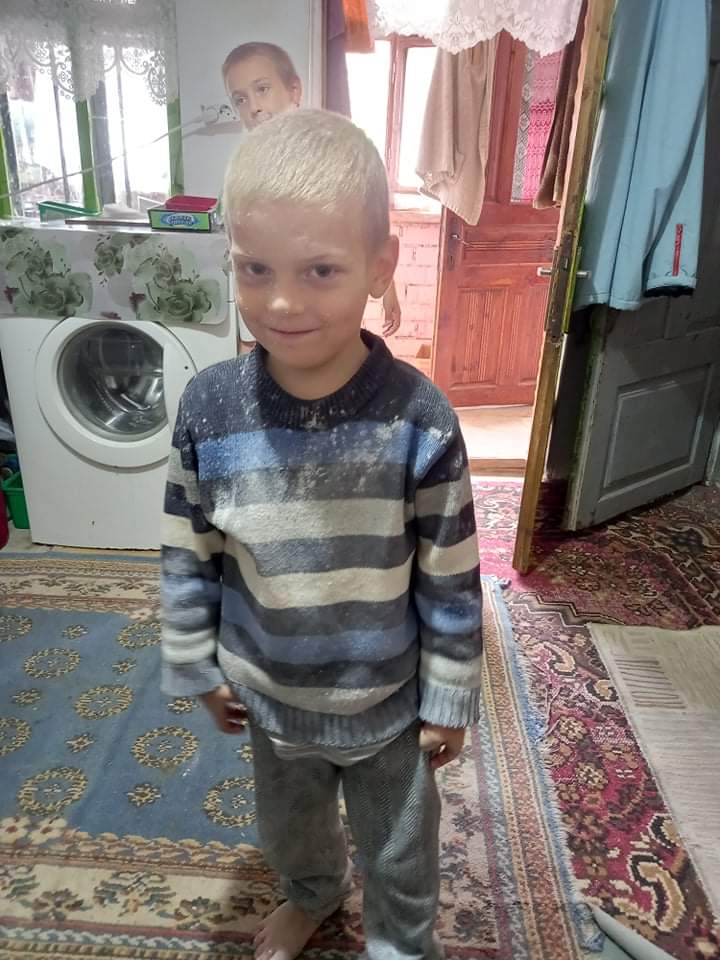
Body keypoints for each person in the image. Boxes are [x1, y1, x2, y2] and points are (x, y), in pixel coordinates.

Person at [160, 109, 483, 960]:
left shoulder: (420, 420)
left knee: (402, 851)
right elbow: (188, 548)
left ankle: (400, 943)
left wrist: (452, 694)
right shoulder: (208, 409)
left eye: (321, 271)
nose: (281, 302)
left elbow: (451, 575)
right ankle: (312, 893)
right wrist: (195, 662)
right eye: (255, 268)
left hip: (388, 703)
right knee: (290, 830)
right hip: (269, 695)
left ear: (380, 266)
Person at [222, 40, 402, 339]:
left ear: (294, 90)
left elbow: (367, 229)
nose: (253, 107)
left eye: (262, 89)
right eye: (240, 99)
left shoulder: (331, 153)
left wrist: (388, 288)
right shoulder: (242, 173)